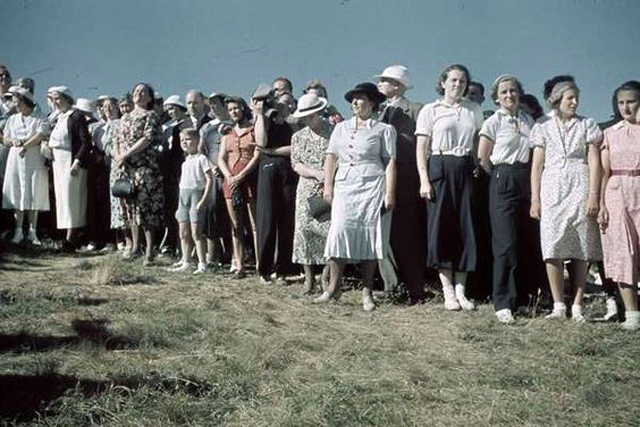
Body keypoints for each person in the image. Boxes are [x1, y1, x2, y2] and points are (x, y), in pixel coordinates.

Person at [318, 82, 397, 311]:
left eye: (360, 98)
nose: (355, 102)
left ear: (372, 103)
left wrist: (390, 193)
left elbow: (390, 162)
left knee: (370, 237)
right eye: (353, 98)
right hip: (345, 185)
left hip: (372, 186)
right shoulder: (340, 128)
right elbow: (331, 157)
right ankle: (333, 288)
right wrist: (328, 186)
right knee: (339, 232)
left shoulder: (384, 130)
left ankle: (367, 292)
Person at [530, 77, 603, 322]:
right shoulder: (542, 126)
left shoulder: (587, 125)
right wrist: (535, 199)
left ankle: (578, 305)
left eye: (576, 98)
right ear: (557, 100)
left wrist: (593, 195)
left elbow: (594, 161)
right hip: (552, 186)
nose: (574, 102)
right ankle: (559, 305)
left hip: (580, 184)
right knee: (552, 245)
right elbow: (536, 166)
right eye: (570, 98)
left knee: (582, 245)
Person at [416, 64, 483, 311]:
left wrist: (477, 163)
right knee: (441, 228)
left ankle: (461, 290)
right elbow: (421, 148)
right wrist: (424, 180)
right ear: (443, 82)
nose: (458, 84)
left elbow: (477, 141)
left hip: (464, 168)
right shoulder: (430, 110)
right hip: (439, 167)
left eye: (462, 81)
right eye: (453, 80)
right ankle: (448, 291)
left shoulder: (473, 109)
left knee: (465, 227)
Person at [477, 75, 538, 323]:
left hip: (526, 177)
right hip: (502, 176)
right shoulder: (493, 121)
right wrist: (500, 178)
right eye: (504, 92)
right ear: (496, 97)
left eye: (513, 90)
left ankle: (522, 298)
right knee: (506, 242)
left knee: (525, 239)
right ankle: (503, 301)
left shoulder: (528, 120)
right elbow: (483, 158)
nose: (509, 95)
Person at [374, 64, 427, 302]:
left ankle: (415, 287)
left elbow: (423, 144)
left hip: (406, 178)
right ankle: (390, 285)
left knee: (406, 232)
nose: (380, 85)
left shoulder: (416, 110)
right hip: (378, 176)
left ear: (396, 85)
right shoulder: (375, 111)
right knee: (381, 232)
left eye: (384, 81)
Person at [598, 80, 640, 330]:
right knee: (623, 251)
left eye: (631, 101)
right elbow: (604, 172)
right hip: (617, 191)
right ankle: (632, 314)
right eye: (621, 102)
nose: (626, 107)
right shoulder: (610, 133)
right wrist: (601, 204)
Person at [112, 82, 164, 265]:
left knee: (146, 209)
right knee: (131, 208)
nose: (139, 94)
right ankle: (135, 247)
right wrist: (118, 156)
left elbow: (147, 138)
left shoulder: (150, 116)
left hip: (145, 168)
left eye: (143, 92)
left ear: (149, 98)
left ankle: (149, 251)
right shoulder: (124, 118)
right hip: (127, 169)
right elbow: (116, 139)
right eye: (136, 91)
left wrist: (126, 154)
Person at [253, 87, 298, 284]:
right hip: (268, 171)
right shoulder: (265, 119)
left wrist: (273, 151)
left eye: (289, 103)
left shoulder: (295, 122)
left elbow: (296, 148)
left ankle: (282, 271)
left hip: (289, 171)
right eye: (281, 102)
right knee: (267, 219)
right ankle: (264, 270)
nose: (284, 106)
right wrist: (260, 115)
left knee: (287, 221)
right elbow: (261, 142)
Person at [290, 93, 333, 294]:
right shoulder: (298, 137)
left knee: (329, 231)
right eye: (305, 117)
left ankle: (325, 277)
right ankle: (309, 279)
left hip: (329, 187)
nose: (309, 120)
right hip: (306, 187)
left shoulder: (333, 132)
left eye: (312, 115)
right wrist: (315, 173)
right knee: (303, 231)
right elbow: (296, 164)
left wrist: (327, 177)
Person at [218, 96, 261, 278]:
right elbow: (221, 158)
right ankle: (239, 265)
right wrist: (229, 176)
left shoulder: (253, 130)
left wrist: (241, 176)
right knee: (236, 225)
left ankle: (261, 264)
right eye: (230, 110)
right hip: (231, 183)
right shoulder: (227, 135)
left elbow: (257, 155)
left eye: (236, 108)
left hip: (250, 180)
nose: (234, 112)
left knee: (255, 225)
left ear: (243, 108)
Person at [1, 86, 50, 244]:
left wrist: (26, 145)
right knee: (17, 192)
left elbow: (41, 134)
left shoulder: (39, 117)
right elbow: (5, 138)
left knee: (34, 192)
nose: (15, 104)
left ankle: (32, 232)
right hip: (15, 159)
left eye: (17, 101)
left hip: (34, 159)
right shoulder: (12, 119)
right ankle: (18, 232)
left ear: (24, 101)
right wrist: (13, 141)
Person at [45, 86, 92, 251]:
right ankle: (66, 237)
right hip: (58, 163)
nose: (55, 102)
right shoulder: (58, 117)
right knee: (63, 200)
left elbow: (85, 142)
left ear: (67, 99)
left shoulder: (76, 116)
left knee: (73, 200)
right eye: (53, 99)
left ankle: (71, 239)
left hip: (71, 163)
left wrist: (77, 161)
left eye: (58, 98)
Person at [167, 128, 213, 274]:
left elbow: (209, 180)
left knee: (196, 233)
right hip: (183, 196)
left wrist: (203, 200)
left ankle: (202, 263)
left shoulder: (202, 159)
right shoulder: (185, 161)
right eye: (182, 140)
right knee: (183, 232)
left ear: (197, 140)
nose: (184, 143)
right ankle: (186, 260)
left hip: (196, 195)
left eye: (187, 139)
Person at [159, 94, 188, 257]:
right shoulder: (167, 127)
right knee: (170, 207)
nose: (170, 112)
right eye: (168, 109)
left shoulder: (187, 123)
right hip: (169, 170)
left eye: (173, 108)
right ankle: (171, 242)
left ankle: (181, 245)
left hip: (182, 169)